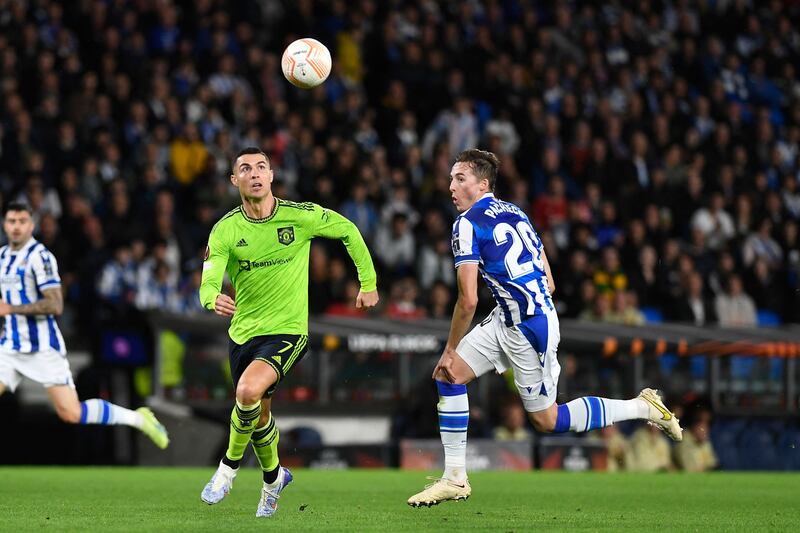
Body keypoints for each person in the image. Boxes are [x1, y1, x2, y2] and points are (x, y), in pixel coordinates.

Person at [407, 150, 682, 507]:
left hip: (528, 329)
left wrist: (450, 346)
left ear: (483, 184)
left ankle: (643, 408)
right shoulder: (517, 213)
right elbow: (549, 282)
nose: (451, 187)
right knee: (448, 376)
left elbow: (469, 300)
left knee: (547, 420)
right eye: (450, 179)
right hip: (513, 316)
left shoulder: (466, 223)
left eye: (460, 179)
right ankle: (455, 478)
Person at [199, 148, 378, 517]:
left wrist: (368, 281)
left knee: (246, 391)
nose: (255, 174)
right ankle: (273, 479)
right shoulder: (226, 229)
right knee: (258, 414)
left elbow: (347, 229)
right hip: (244, 334)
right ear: (235, 180)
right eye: (245, 169)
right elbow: (210, 276)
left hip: (288, 331)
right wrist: (210, 298)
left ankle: (227, 470)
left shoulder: (300, 217)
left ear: (272, 175)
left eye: (261, 167)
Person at [0, 202, 169, 448]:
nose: (16, 227)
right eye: (11, 222)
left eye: (22, 221)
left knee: (71, 413)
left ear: (31, 225)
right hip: (9, 346)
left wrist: (11, 308)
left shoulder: (41, 258)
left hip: (42, 347)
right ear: (5, 225)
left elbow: (55, 304)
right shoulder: (2, 257)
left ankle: (138, 418)